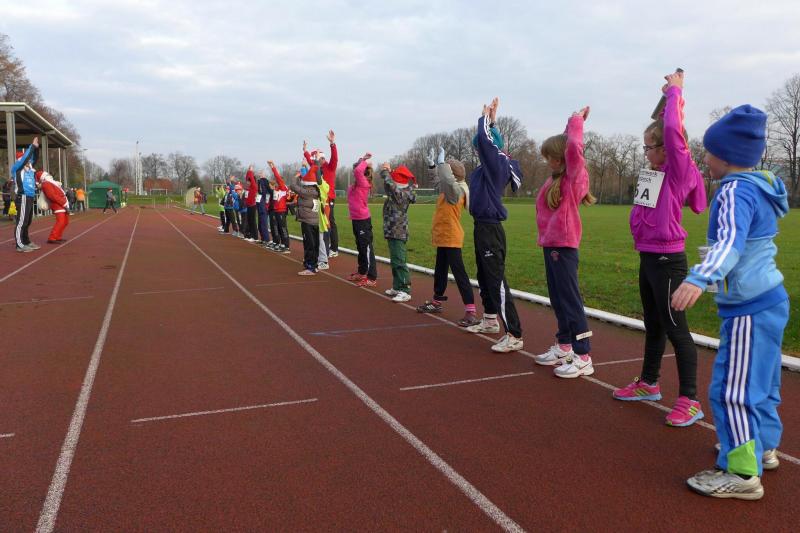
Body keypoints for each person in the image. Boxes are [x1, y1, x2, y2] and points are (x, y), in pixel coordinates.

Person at [674, 105, 789, 500]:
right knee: (763, 382)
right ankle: (763, 447)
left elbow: (729, 242)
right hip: (771, 299)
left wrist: (698, 277)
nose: (704, 158)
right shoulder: (762, 185)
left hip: (749, 308)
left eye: (708, 152)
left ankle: (741, 472)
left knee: (732, 390)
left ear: (725, 156)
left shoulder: (735, 190)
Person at [614, 71, 708, 426]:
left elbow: (671, 131)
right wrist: (666, 99)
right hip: (648, 256)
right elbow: (662, 127)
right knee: (653, 324)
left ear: (666, 148)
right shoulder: (653, 173)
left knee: (675, 328)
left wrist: (676, 94)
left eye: (649, 147)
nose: (646, 152)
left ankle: (690, 399)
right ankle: (649, 383)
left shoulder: (679, 169)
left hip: (668, 260)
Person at [532, 107, 597, 378]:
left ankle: (583, 355)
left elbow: (573, 149)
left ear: (560, 158)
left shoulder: (573, 177)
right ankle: (564, 346)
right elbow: (566, 143)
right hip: (551, 244)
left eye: (550, 156)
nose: (547, 161)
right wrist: (569, 126)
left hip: (564, 246)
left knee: (570, 300)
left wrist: (576, 122)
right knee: (558, 299)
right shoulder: (556, 179)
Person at [464, 98, 524, 353]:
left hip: (490, 229)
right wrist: (493, 123)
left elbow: (488, 141)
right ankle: (490, 319)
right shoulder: (485, 167)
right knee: (484, 276)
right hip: (481, 227)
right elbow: (488, 142)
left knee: (496, 280)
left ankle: (514, 334)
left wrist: (486, 119)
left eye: (480, 146)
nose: (478, 149)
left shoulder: (496, 164)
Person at [415, 146, 478, 327]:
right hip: (443, 236)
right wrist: (432, 166)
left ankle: (471, 311)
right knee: (440, 270)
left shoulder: (456, 191)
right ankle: (437, 301)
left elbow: (447, 181)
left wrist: (442, 163)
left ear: (452, 175)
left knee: (459, 273)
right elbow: (439, 181)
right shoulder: (449, 189)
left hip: (451, 237)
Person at [381, 162, 416, 302]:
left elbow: (390, 184)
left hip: (398, 231)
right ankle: (397, 286)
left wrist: (386, 172)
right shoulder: (398, 191)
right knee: (395, 260)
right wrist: (390, 172)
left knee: (400, 261)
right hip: (392, 230)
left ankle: (405, 289)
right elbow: (389, 186)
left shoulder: (402, 194)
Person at [304, 130, 339, 257]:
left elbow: (335, 158)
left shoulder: (330, 167)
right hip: (320, 199)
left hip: (329, 199)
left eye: (318, 158)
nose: (316, 160)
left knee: (330, 222)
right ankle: (324, 246)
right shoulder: (317, 167)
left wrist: (332, 143)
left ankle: (334, 249)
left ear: (323, 158)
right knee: (322, 223)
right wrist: (305, 151)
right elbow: (310, 162)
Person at [347, 153, 377, 287]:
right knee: (360, 247)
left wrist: (364, 160)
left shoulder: (363, 182)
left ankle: (371, 277)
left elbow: (358, 170)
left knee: (366, 248)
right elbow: (357, 169)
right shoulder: (356, 184)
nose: (354, 172)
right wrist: (360, 161)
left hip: (363, 220)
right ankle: (362, 271)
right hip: (356, 219)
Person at [290, 159, 322, 275]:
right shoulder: (315, 191)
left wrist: (296, 176)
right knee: (315, 244)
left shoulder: (306, 192)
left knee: (309, 245)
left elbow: (293, 186)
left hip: (307, 221)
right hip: (314, 221)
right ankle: (314, 265)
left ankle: (310, 267)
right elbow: (312, 176)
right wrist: (308, 166)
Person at [11, 137, 40, 252]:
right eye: (27, 160)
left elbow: (34, 158)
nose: (29, 162)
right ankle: (19, 245)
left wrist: (36, 149)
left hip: (30, 196)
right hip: (22, 196)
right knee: (21, 222)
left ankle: (26, 241)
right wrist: (32, 146)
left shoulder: (29, 168)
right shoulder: (17, 167)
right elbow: (25, 158)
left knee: (27, 222)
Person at [37, 171, 70, 243]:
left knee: (65, 222)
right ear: (44, 176)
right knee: (61, 222)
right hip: (58, 205)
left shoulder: (50, 183)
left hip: (61, 203)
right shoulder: (46, 184)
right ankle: (52, 238)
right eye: (47, 174)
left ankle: (57, 236)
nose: (50, 174)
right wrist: (63, 203)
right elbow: (52, 196)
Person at [267, 161, 291, 253]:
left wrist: (273, 167)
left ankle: (286, 246)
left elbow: (277, 176)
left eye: (278, 181)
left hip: (281, 211)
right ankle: (282, 244)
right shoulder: (277, 189)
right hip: (276, 210)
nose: (277, 182)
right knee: (279, 228)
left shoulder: (283, 187)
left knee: (283, 228)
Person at [256, 169, 272, 244]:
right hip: (260, 208)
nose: (260, 174)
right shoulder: (259, 191)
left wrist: (262, 178)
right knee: (260, 225)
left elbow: (265, 188)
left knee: (264, 224)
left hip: (264, 208)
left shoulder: (265, 184)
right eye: (259, 173)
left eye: (261, 173)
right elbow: (259, 189)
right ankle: (263, 239)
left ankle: (267, 240)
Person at [244, 165, 258, 242]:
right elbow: (247, 178)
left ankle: (255, 237)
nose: (247, 182)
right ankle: (249, 235)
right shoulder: (248, 187)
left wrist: (250, 171)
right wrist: (248, 170)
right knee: (249, 221)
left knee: (253, 221)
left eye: (249, 182)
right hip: (248, 206)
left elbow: (251, 179)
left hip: (253, 206)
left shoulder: (254, 187)